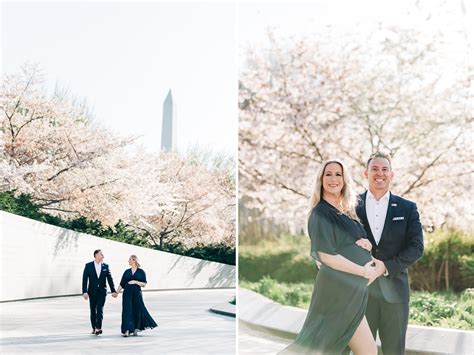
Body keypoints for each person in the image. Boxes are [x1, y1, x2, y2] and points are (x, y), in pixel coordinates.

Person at [280, 159, 385, 355]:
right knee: (323, 345)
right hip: (338, 292)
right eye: (328, 174)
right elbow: (326, 256)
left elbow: (351, 242)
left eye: (338, 174)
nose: (333, 178)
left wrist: (367, 244)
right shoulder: (320, 213)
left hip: (351, 289)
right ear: (321, 179)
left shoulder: (345, 212)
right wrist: (364, 271)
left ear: (345, 180)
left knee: (327, 347)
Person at [356, 152, 424, 355]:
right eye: (374, 169)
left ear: (391, 174)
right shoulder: (351, 205)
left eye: (384, 169)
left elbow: (416, 247)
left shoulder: (407, 208)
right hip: (360, 291)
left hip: (395, 293)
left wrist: (386, 267)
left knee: (394, 351)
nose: (380, 173)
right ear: (365, 173)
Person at [116, 255, 157, 337]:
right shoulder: (126, 271)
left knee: (137, 310)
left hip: (136, 294)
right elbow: (122, 283)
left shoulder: (141, 272)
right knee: (127, 311)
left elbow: (144, 284)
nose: (128, 261)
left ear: (134, 260)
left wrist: (135, 281)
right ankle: (126, 330)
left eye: (130, 259)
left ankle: (135, 329)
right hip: (127, 293)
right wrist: (116, 292)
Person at [82, 249, 117, 335]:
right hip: (92, 292)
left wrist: (113, 290)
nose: (103, 256)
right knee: (93, 310)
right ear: (96, 255)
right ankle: (94, 328)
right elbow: (84, 279)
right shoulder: (88, 266)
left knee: (100, 309)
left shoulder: (106, 266)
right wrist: (84, 291)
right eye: (101, 254)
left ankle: (98, 328)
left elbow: (109, 279)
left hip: (102, 292)